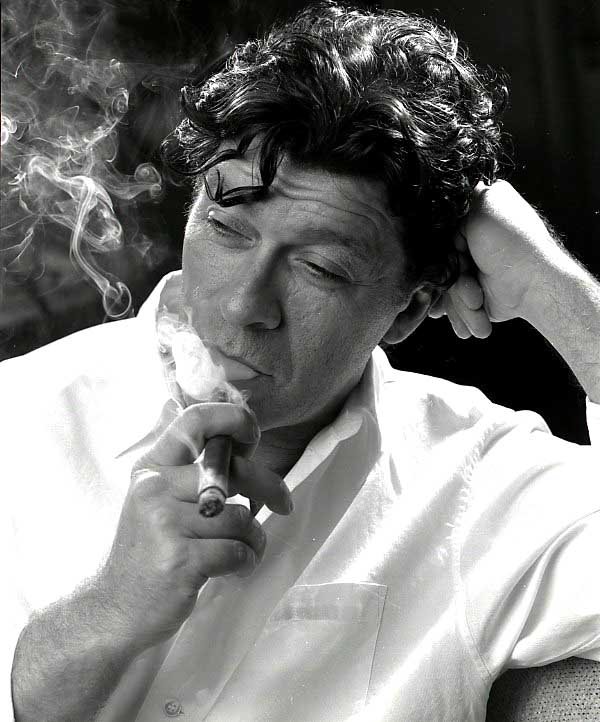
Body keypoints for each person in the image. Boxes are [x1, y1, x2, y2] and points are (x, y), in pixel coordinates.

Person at [4, 2, 599, 720]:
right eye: (226, 227)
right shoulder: (20, 419)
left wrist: (555, 291)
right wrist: (111, 608)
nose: (243, 305)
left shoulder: (476, 483)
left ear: (408, 310)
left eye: (319, 268)